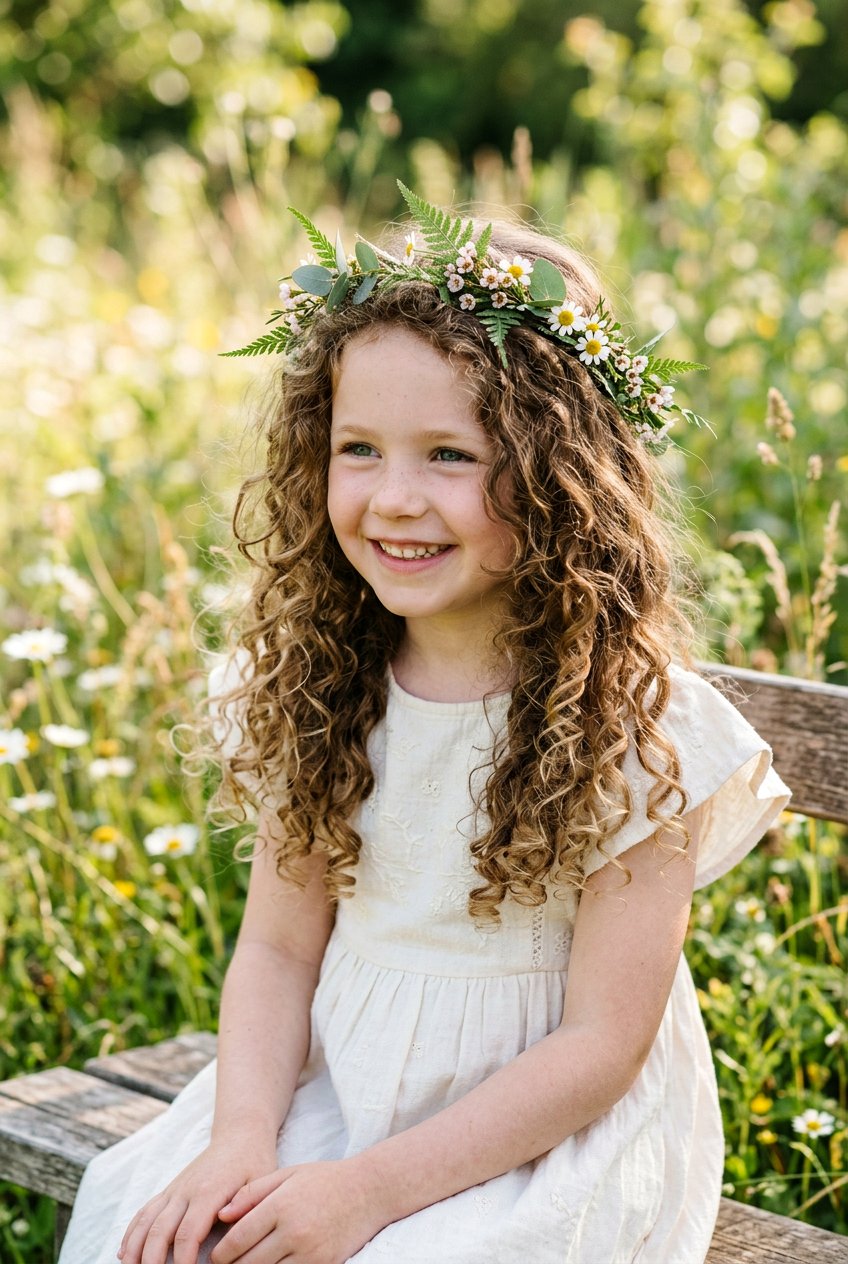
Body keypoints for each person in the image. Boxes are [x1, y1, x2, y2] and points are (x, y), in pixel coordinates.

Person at [59, 189, 790, 1264]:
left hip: (542, 1132)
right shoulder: (315, 683)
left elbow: (601, 1045)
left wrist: (363, 1194)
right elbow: (273, 948)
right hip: (342, 1078)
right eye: (358, 448)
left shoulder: (635, 725)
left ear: (556, 475)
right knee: (152, 1222)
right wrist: (240, 1141)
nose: (393, 497)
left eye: (449, 455)